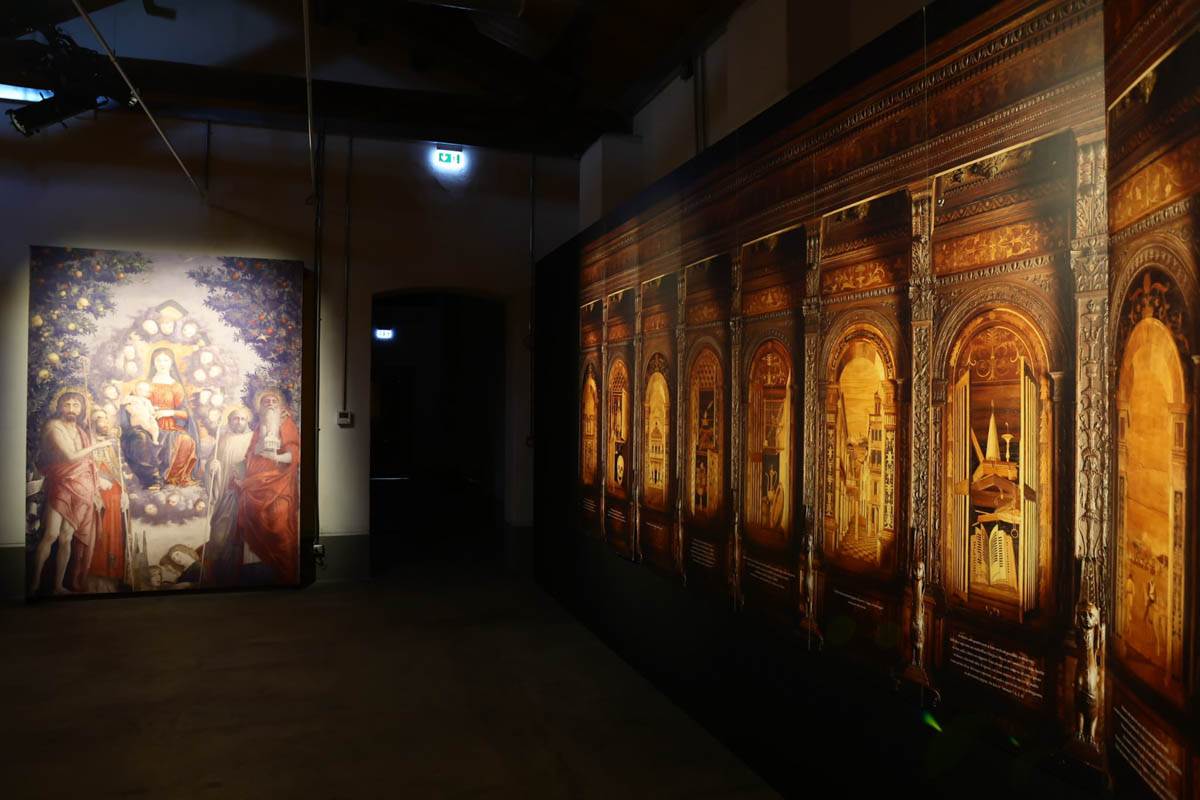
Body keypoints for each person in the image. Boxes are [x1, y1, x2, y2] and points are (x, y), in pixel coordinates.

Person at [28, 392, 113, 595]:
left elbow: (88, 461)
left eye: (76, 405)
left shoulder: (81, 430)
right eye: (67, 405)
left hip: (82, 486)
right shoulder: (54, 426)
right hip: (62, 483)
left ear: (82, 409)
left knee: (67, 537)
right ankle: (34, 585)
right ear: (59, 407)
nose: (72, 409)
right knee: (51, 534)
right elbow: (70, 457)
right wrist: (98, 445)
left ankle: (58, 586)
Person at [234, 389, 299, 585]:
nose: (270, 403)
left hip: (279, 482)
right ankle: (258, 571)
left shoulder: (285, 423)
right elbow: (249, 455)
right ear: (260, 407)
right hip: (255, 482)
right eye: (266, 401)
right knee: (250, 514)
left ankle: (284, 572)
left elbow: (294, 453)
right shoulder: (258, 428)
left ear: (279, 405)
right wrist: (240, 470)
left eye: (273, 401)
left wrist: (276, 456)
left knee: (279, 524)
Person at [201, 407, 254, 585]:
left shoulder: (254, 439)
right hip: (226, 493)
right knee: (220, 533)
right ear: (229, 421)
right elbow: (211, 463)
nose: (238, 422)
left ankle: (240, 577)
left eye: (242, 419)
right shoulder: (222, 440)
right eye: (235, 419)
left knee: (242, 536)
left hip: (246, 495)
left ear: (247, 421)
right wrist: (212, 466)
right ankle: (219, 575)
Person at [87, 407, 128, 586]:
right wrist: (98, 480)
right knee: (99, 529)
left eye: (104, 417)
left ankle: (113, 572)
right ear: (91, 422)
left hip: (115, 492)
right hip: (96, 491)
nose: (101, 421)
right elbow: (84, 467)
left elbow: (119, 470)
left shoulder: (113, 443)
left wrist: (125, 492)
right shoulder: (86, 442)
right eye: (97, 418)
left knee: (114, 530)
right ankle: (96, 572)